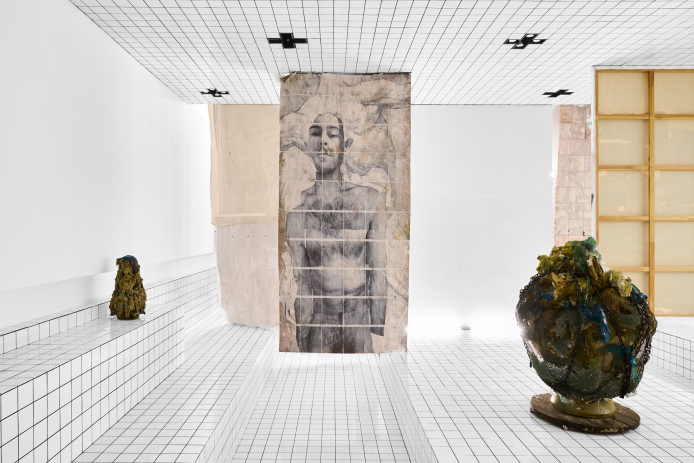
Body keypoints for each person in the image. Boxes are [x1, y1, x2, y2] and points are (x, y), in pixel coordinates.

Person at [286, 113, 387, 353]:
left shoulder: (369, 200)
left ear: (346, 144)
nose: (323, 141)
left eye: (332, 134)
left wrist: (379, 331)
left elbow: (379, 272)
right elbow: (303, 284)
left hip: (359, 321)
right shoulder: (298, 216)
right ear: (307, 146)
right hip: (321, 325)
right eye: (315, 134)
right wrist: (302, 336)